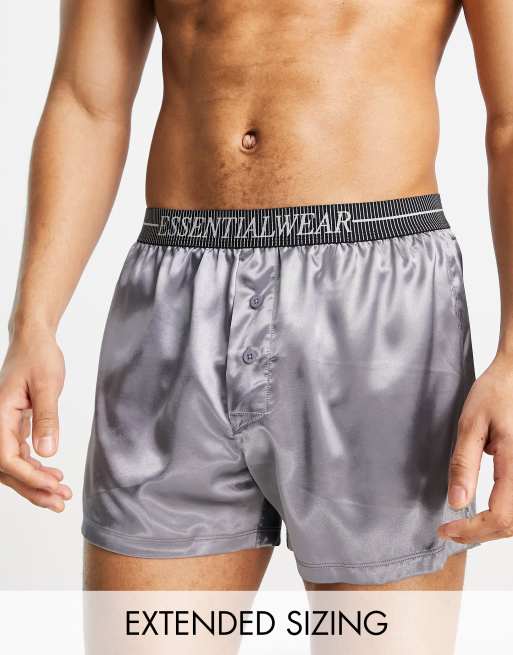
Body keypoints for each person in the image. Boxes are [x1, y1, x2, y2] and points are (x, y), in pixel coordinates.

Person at [1, 0, 512, 595]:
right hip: (175, 298)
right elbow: (87, 102)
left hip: (375, 305)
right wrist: (32, 324)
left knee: (380, 635)